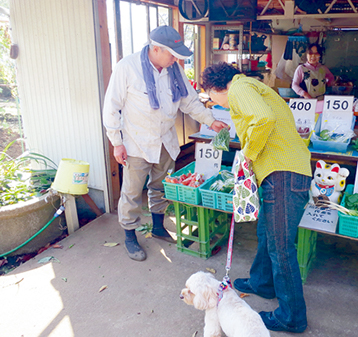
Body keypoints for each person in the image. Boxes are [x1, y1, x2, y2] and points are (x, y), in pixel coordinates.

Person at [201, 62, 312, 333]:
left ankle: (292, 316)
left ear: (217, 88)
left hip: (284, 173)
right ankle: (262, 281)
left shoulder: (239, 88)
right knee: (267, 233)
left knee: (280, 247)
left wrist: (247, 156)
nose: (212, 102)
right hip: (280, 172)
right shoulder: (251, 86)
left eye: (209, 96)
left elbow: (263, 119)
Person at [103, 26, 228, 262]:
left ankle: (159, 227)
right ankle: (130, 235)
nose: (176, 59)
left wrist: (211, 122)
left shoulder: (174, 70)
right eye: (172, 54)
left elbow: (190, 102)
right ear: (156, 48)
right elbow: (111, 107)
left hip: (165, 141)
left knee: (160, 186)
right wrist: (116, 143)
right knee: (131, 191)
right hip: (137, 142)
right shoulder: (127, 67)